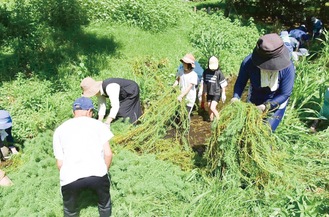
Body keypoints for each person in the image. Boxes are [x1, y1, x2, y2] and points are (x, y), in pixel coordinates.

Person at [53, 97, 114, 217]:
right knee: (104, 205)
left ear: (73, 112)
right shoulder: (98, 125)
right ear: (90, 111)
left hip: (70, 178)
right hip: (97, 175)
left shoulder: (59, 130)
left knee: (70, 211)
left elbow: (60, 163)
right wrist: (104, 171)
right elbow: (108, 154)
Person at [231, 33, 295, 132]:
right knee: (248, 130)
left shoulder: (287, 67)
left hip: (276, 102)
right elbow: (240, 82)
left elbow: (285, 93)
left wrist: (266, 106)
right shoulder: (248, 62)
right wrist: (236, 97)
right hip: (254, 98)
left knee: (265, 132)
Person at [199, 56, 227, 122]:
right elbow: (203, 82)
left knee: (212, 107)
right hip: (209, 92)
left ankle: (219, 120)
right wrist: (201, 90)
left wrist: (223, 93)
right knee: (209, 107)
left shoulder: (219, 73)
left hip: (216, 93)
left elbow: (223, 84)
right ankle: (211, 120)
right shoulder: (206, 72)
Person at [173, 53, 198, 118]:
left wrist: (181, 96)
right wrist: (174, 86)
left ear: (189, 65)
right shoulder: (181, 71)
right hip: (181, 95)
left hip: (189, 98)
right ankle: (180, 127)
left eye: (185, 63)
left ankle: (187, 127)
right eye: (183, 62)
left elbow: (189, 87)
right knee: (179, 114)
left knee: (186, 115)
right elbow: (178, 79)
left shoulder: (193, 75)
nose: (183, 64)